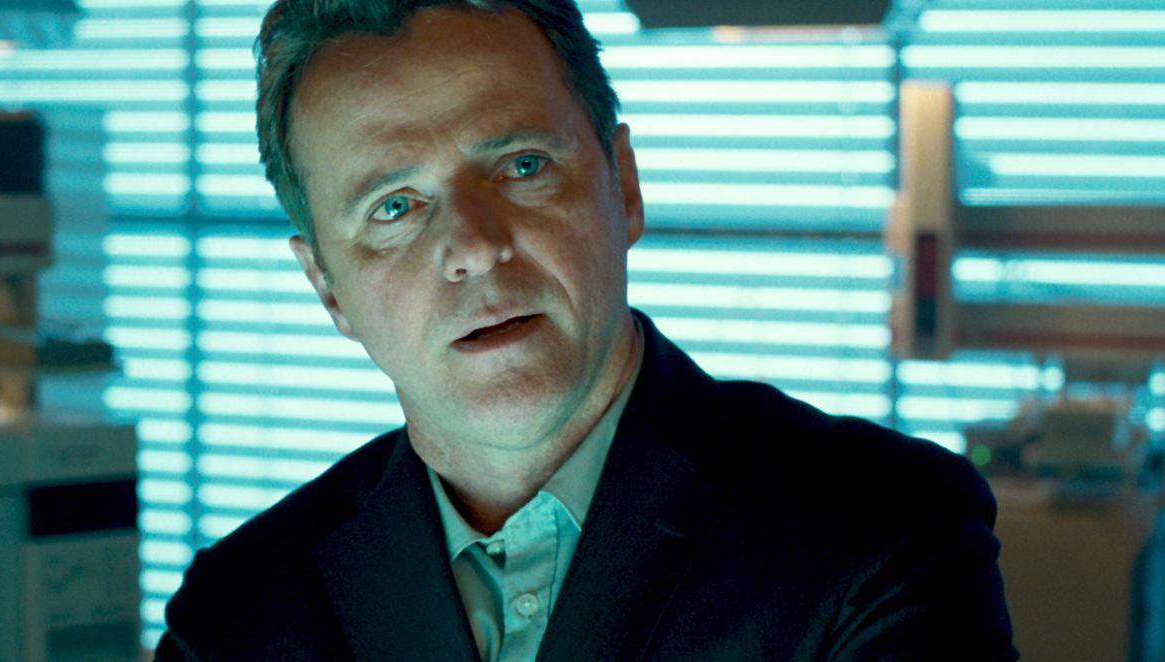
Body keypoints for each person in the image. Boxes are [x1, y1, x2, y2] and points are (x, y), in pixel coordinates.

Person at [155, 1, 1017, 659]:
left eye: (522, 165)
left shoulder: (881, 534)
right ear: (328, 291)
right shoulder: (236, 615)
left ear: (623, 187)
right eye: (394, 207)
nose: (474, 248)